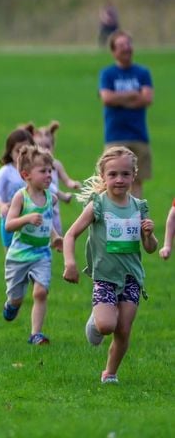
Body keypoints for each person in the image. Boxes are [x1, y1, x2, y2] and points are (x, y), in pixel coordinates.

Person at [63, 146, 157, 384]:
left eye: (125, 174)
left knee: (123, 330)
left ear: (134, 175)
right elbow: (70, 235)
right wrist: (70, 263)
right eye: (113, 174)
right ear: (103, 176)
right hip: (105, 276)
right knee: (106, 326)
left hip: (131, 278)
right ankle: (96, 320)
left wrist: (149, 235)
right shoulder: (98, 206)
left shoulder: (139, 207)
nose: (119, 179)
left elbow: (150, 248)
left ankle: (110, 373)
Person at [1, 145, 63, 345]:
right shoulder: (21, 197)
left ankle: (35, 334)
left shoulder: (50, 198)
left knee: (41, 292)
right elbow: (9, 225)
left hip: (42, 254)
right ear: (26, 174)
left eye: (50, 170)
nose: (49, 175)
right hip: (19, 255)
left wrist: (55, 237)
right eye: (43, 171)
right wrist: (26, 218)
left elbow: (47, 221)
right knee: (16, 298)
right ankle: (12, 305)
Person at [98, 30, 153, 199]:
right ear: (114, 51)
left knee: (136, 180)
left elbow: (147, 98)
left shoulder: (142, 72)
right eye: (121, 45)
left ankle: (136, 219)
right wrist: (133, 94)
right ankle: (113, 217)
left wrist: (119, 99)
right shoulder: (108, 74)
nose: (126, 48)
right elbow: (107, 98)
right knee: (111, 179)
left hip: (138, 135)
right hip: (115, 135)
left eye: (128, 44)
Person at [0, 125, 35, 248]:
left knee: (32, 254)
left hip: (30, 218)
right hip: (9, 218)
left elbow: (46, 189)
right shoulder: (5, 172)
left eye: (26, 150)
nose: (22, 154)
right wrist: (1, 205)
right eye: (17, 150)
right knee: (11, 257)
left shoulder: (35, 171)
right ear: (10, 151)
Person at [32, 121, 81, 234]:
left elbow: (66, 180)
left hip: (53, 209)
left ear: (53, 146)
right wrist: (63, 196)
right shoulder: (34, 169)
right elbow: (49, 187)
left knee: (55, 237)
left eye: (48, 146)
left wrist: (72, 184)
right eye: (40, 147)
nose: (45, 150)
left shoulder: (56, 164)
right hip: (37, 208)